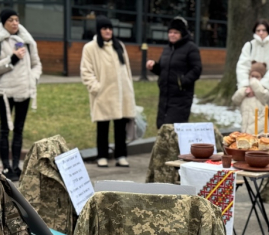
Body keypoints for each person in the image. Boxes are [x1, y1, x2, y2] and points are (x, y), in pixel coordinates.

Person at [0, 9, 42, 181]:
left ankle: (16, 166)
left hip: (24, 90)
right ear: (4, 22)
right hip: (5, 92)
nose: (15, 23)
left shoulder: (28, 41)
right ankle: (5, 167)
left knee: (19, 129)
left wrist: (32, 78)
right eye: (10, 20)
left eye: (17, 19)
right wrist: (13, 58)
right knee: (5, 129)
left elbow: (36, 64)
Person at [81, 15, 136, 168]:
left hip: (121, 94)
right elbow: (86, 71)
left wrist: (129, 90)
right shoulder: (90, 48)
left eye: (110, 28)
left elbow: (127, 70)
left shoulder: (119, 45)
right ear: (99, 30)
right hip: (103, 94)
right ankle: (102, 156)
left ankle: (121, 155)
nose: (108, 31)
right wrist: (96, 88)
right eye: (105, 28)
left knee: (120, 127)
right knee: (102, 128)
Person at [146, 17, 201, 129]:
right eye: (170, 32)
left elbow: (197, 69)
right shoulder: (167, 49)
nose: (172, 35)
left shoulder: (191, 48)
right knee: (162, 128)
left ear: (182, 33)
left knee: (174, 129)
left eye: (176, 32)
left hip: (181, 98)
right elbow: (163, 69)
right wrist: (154, 66)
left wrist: (182, 82)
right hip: (165, 97)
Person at [236, 19, 269, 128]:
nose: (261, 33)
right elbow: (242, 66)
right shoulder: (249, 46)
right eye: (258, 30)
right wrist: (245, 86)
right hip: (251, 93)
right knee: (252, 125)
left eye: (264, 30)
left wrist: (260, 87)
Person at [232, 61, 269, 134]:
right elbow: (235, 99)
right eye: (252, 76)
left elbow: (263, 95)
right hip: (245, 130)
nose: (254, 79)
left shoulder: (263, 91)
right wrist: (244, 91)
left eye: (257, 77)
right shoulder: (245, 90)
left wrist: (253, 83)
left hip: (259, 133)